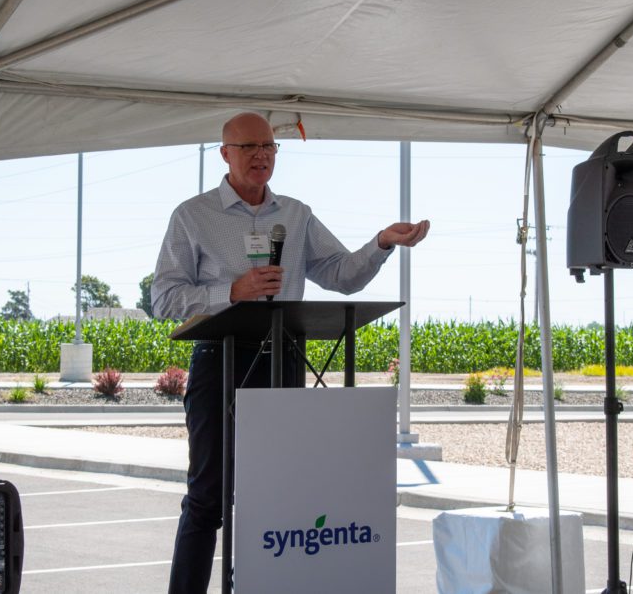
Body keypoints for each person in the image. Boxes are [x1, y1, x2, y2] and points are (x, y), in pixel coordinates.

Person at [150, 112, 429, 593]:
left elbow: (342, 275)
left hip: (282, 361)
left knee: (275, 497)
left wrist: (381, 243)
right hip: (221, 361)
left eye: (269, 147)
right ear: (225, 155)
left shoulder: (296, 215)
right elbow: (163, 299)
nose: (261, 155)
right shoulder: (192, 215)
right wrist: (230, 290)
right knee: (207, 498)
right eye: (249, 147)